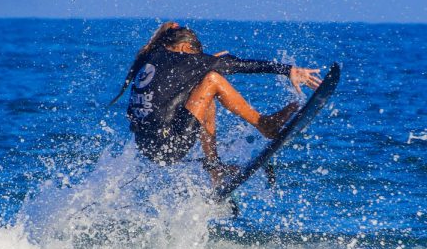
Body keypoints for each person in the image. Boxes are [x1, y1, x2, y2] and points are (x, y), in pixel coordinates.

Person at [110, 22, 322, 185]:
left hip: (148, 146)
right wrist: (288, 70)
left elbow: (180, 76)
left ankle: (214, 168)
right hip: (171, 145)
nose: (199, 59)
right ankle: (263, 123)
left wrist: (201, 59)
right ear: (184, 47)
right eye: (196, 54)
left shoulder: (152, 55)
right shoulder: (188, 60)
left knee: (203, 89)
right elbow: (238, 65)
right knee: (212, 79)